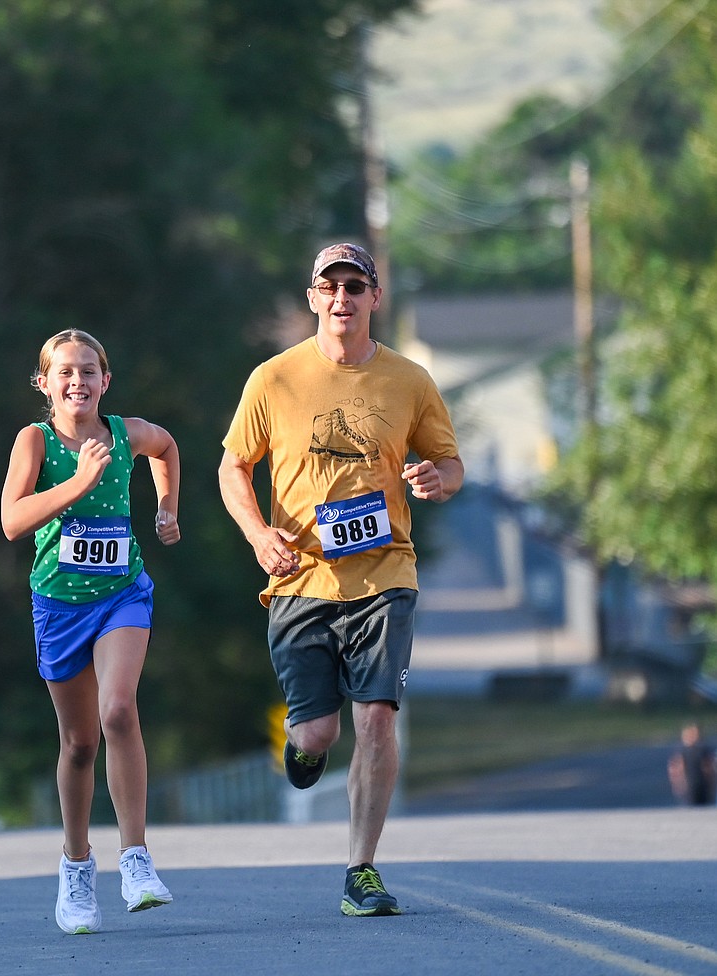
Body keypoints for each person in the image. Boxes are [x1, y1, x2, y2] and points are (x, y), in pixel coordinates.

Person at [218, 242, 464, 917]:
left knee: (377, 722)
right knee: (320, 735)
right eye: (330, 287)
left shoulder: (409, 380)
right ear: (312, 298)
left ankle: (361, 870)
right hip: (301, 582)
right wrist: (259, 535)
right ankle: (304, 750)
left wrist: (435, 479)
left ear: (374, 298)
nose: (342, 299)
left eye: (355, 286)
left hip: (387, 575)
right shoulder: (274, 379)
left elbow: (450, 464)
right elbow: (233, 467)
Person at [1, 329, 181, 935]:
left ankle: (136, 859)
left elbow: (168, 447)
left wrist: (167, 507)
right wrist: (78, 483)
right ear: (45, 384)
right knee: (79, 743)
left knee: (119, 711)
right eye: (65, 373)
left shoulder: (126, 436)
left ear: (106, 381)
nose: (77, 381)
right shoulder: (36, 441)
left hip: (122, 595)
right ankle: (76, 867)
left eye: (88, 371)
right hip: (59, 606)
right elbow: (10, 520)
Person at [667, 721, 716, 806]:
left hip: (703, 785)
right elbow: (676, 768)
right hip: (689, 785)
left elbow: (709, 768)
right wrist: (678, 783)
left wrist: (712, 783)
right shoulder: (682, 751)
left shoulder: (703, 750)